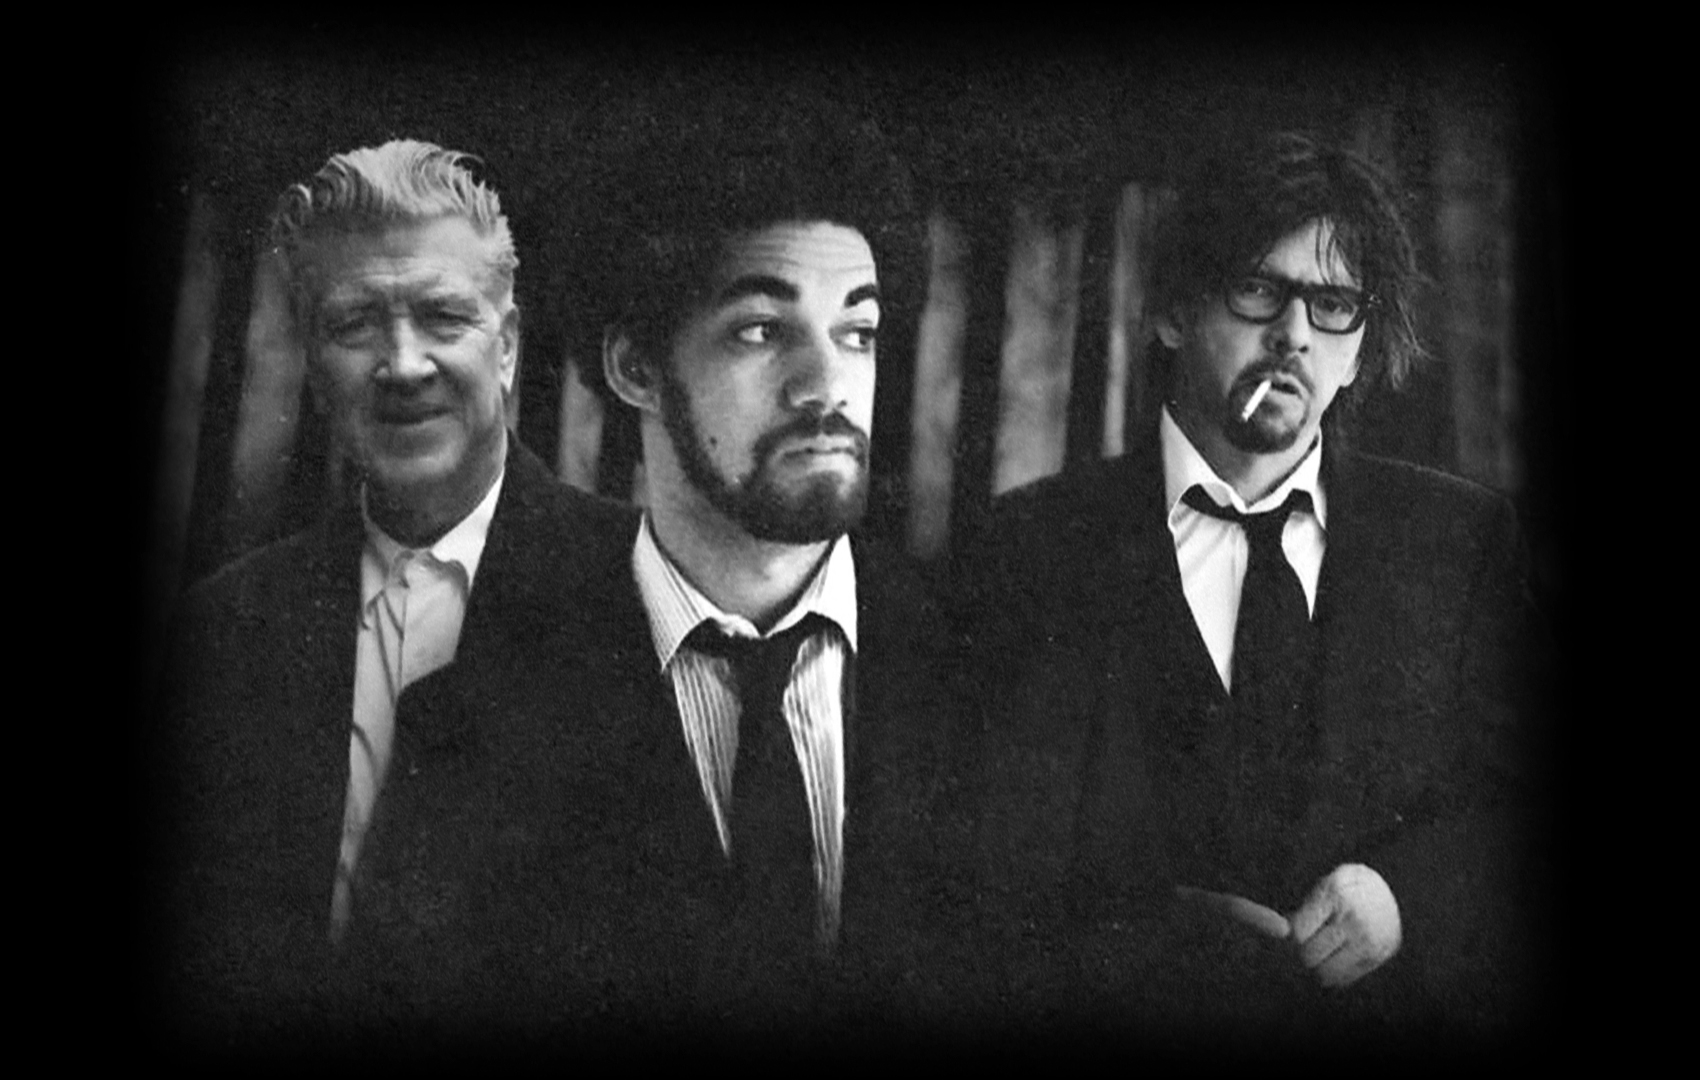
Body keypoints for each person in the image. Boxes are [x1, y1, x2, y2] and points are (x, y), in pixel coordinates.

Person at [959, 133, 1547, 1049]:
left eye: (1334, 305)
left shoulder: (1460, 541)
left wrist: (1407, 898)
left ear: (1360, 346)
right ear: (1171, 311)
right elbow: (972, 883)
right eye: (1257, 289)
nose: (1295, 335)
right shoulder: (1027, 548)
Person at [151, 140, 631, 1047]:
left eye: (443, 317)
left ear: (508, 347)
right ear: (312, 366)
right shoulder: (224, 632)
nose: (403, 364)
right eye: (355, 324)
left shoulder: (647, 597)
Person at [549, 118, 961, 1039]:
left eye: (859, 331)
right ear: (635, 367)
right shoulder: (484, 705)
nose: (829, 383)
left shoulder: (1007, 677)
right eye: (763, 330)